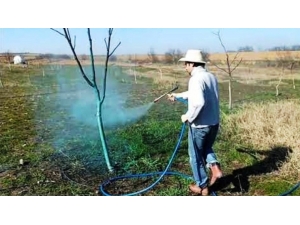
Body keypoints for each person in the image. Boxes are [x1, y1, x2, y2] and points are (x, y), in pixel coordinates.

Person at [167, 49, 223, 196]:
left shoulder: (195, 79)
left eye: (186, 64)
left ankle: (202, 187)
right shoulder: (210, 76)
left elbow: (198, 103)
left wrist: (187, 117)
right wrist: (177, 96)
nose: (185, 67)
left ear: (192, 63)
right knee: (206, 148)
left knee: (195, 157)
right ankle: (215, 168)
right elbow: (195, 94)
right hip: (213, 123)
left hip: (200, 126)